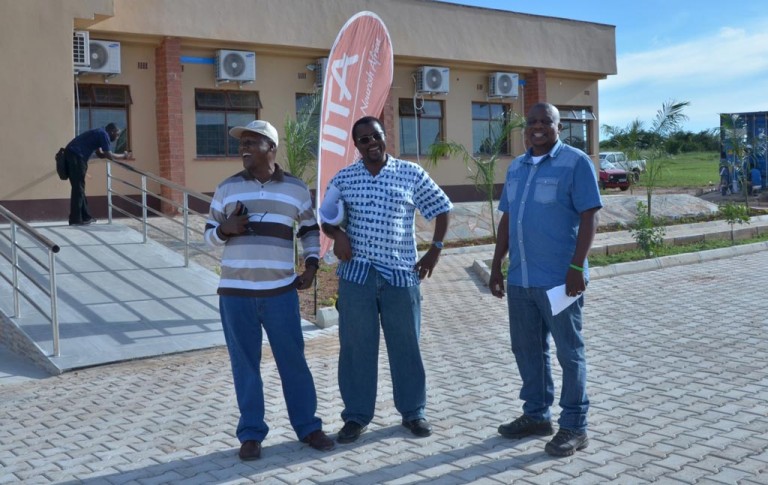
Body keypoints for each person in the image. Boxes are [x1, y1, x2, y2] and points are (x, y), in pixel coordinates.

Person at [204, 120, 334, 460]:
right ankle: (251, 434)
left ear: (271, 147)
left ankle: (308, 427)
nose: (243, 148)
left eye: (252, 141)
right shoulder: (227, 188)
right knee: (244, 365)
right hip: (236, 294)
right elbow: (207, 237)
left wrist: (311, 266)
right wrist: (226, 229)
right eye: (242, 142)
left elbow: (309, 230)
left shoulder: (296, 189)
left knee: (293, 361)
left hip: (280, 293)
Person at [320, 116, 452, 443]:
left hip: (401, 276)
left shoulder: (410, 173)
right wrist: (338, 235)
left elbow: (442, 207)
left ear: (384, 136)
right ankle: (356, 416)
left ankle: (413, 412)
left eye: (375, 136)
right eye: (363, 139)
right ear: (356, 145)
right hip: (357, 276)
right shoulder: (344, 178)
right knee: (356, 349)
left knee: (407, 346)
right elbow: (325, 216)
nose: (371, 143)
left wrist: (435, 250)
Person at [488, 103, 602, 457]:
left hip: (559, 280)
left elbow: (590, 215)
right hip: (521, 279)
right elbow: (508, 219)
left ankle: (575, 426)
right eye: (532, 122)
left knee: (569, 352)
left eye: (545, 121)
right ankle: (536, 415)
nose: (537, 127)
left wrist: (577, 267)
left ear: (558, 127)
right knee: (527, 350)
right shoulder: (517, 167)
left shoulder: (575, 162)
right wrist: (496, 265)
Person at [63, 123, 131, 226]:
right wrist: (124, 156)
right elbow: (109, 156)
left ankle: (85, 217)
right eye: (117, 135)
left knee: (79, 187)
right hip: (76, 156)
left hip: (73, 155)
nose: (117, 138)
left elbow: (100, 154)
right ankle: (75, 219)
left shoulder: (99, 133)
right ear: (112, 131)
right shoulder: (104, 134)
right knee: (78, 188)